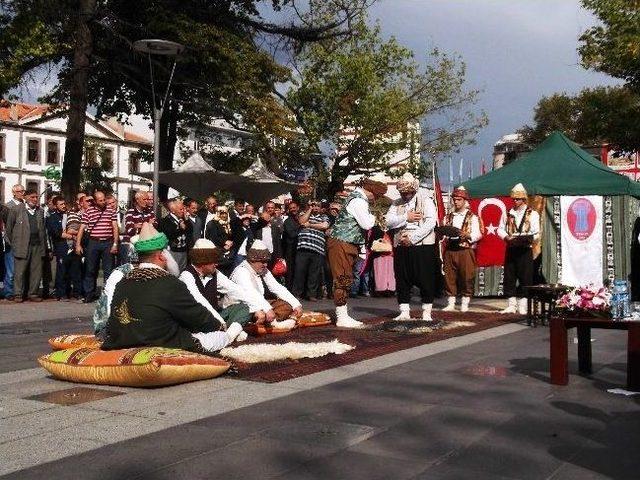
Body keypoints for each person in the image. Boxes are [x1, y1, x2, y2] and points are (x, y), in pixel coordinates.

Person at [102, 223, 244, 353]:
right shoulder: (168, 282)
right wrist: (219, 328)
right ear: (161, 256)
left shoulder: (123, 281)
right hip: (158, 342)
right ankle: (229, 336)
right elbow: (197, 316)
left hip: (119, 341)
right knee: (217, 337)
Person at [179, 239, 274, 334]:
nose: (217, 264)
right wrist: (220, 322)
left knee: (246, 307)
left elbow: (236, 290)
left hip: (215, 317)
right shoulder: (187, 275)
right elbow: (200, 301)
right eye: (213, 261)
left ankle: (226, 334)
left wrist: (258, 307)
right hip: (197, 321)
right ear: (202, 261)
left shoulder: (215, 273)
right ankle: (226, 334)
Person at [328, 178, 387, 327]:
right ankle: (341, 317)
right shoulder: (358, 201)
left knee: (346, 277)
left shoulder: (356, 199)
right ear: (371, 191)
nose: (377, 200)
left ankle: (343, 314)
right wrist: (377, 216)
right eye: (377, 196)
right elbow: (367, 224)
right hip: (341, 242)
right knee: (342, 278)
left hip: (347, 243)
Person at [385, 173, 438, 321]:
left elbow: (430, 223)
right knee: (402, 278)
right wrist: (405, 218)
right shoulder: (396, 203)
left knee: (425, 278)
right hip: (401, 244)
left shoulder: (425, 201)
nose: (406, 195)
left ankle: (426, 312)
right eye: (403, 193)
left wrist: (413, 239)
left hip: (421, 245)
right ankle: (404, 311)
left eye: (408, 192)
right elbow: (388, 221)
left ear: (414, 190)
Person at [229, 240, 302, 327]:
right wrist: (267, 309)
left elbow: (277, 287)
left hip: (258, 304)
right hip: (240, 307)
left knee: (287, 305)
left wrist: (296, 305)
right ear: (252, 260)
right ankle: (267, 323)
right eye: (263, 262)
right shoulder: (241, 271)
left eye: (267, 261)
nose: (266, 265)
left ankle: (269, 321)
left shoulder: (263, 270)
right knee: (257, 313)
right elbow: (251, 294)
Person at [498, 183, 540, 315]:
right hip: (511, 248)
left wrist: (527, 238)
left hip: (525, 248)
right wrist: (506, 237)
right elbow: (500, 229)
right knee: (509, 276)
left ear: (524, 199)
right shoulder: (508, 213)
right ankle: (511, 304)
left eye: (518, 199)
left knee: (525, 276)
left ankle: (523, 304)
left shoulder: (532, 214)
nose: (515, 201)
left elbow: (537, 232)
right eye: (514, 199)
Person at [440, 186, 482, 312]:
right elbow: (444, 233)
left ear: (464, 200)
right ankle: (451, 302)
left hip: (465, 249)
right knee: (449, 276)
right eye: (454, 199)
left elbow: (479, 233)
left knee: (466, 276)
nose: (456, 202)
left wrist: (468, 235)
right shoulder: (448, 217)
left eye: (459, 199)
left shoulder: (473, 217)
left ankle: (465, 302)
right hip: (450, 249)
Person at [76, 190, 119, 302]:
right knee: (90, 269)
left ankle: (108, 293)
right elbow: (81, 229)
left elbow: (115, 227)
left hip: (108, 242)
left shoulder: (110, 211)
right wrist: (78, 244)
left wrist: (115, 244)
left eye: (104, 199)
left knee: (108, 270)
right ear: (95, 201)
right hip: (93, 242)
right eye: (100, 200)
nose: (103, 202)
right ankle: (89, 293)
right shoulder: (89, 212)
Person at [5, 188, 47, 302]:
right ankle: (18, 294)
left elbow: (43, 229)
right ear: (26, 198)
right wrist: (14, 243)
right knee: (20, 271)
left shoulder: (40, 211)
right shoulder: (16, 210)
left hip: (37, 245)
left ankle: (33, 294)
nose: (35, 199)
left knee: (36, 271)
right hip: (22, 245)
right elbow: (9, 229)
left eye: (36, 197)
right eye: (32, 197)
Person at [292, 200, 330, 301]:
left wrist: (310, 225)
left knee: (314, 273)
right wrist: (309, 209)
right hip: (303, 247)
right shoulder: (303, 213)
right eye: (314, 205)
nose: (316, 207)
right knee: (299, 272)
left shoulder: (324, 217)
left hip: (318, 249)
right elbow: (301, 221)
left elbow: (325, 226)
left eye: (318, 205)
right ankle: (297, 293)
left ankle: (311, 294)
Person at [45, 196, 72, 301]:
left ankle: (68, 291)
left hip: (71, 245)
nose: (64, 206)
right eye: (61, 204)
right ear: (56, 206)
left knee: (70, 269)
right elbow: (57, 233)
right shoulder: (52, 217)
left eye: (64, 203)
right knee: (62, 269)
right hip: (60, 245)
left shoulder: (68, 215)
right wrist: (71, 236)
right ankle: (60, 292)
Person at [2, 184, 25, 300]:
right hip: (11, 241)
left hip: (22, 241)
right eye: (20, 191)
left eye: (23, 191)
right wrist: (9, 240)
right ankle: (8, 292)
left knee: (20, 269)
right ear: (14, 192)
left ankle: (18, 290)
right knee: (10, 269)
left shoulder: (24, 205)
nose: (22, 193)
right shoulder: (8, 206)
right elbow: (8, 225)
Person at [158, 198, 192, 271]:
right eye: (181, 209)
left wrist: (187, 221)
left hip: (184, 251)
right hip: (173, 251)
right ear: (173, 211)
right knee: (174, 272)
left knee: (183, 272)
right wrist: (180, 228)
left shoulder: (183, 219)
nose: (183, 211)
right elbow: (169, 235)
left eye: (183, 209)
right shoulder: (166, 220)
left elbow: (190, 231)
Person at [123, 190, 155, 263]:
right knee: (131, 267)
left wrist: (139, 226)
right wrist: (147, 224)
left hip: (145, 244)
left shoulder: (150, 212)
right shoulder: (130, 212)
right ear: (137, 200)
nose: (147, 201)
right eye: (144, 199)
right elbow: (129, 231)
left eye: (148, 199)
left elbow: (155, 226)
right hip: (131, 245)